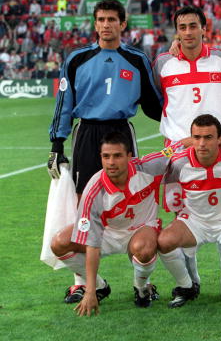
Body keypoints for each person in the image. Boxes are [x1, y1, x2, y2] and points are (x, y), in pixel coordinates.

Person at [48, 0, 163, 303]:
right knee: (82, 200)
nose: (106, 25)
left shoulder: (137, 59)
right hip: (87, 133)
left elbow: (155, 104)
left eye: (112, 19)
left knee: (132, 193)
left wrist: (183, 129)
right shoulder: (76, 59)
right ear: (95, 23)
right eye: (101, 19)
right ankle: (86, 283)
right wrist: (57, 144)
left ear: (123, 24)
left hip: (122, 132)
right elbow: (64, 104)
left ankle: (141, 275)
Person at [154, 5, 221, 291]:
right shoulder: (163, 63)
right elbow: (156, 100)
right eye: (182, 27)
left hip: (217, 149)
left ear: (204, 28)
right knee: (180, 215)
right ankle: (191, 281)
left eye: (193, 26)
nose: (188, 32)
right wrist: (178, 138)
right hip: (176, 152)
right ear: (176, 31)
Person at [49, 132, 165, 315]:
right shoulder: (93, 191)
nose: (111, 162)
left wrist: (193, 142)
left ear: (129, 156)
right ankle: (100, 287)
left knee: (143, 248)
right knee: (59, 243)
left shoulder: (148, 167)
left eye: (117, 156)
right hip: (108, 233)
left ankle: (142, 288)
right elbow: (92, 244)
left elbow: (176, 153)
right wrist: (90, 290)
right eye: (106, 156)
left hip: (142, 229)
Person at [157, 114, 221, 308]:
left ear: (220, 139)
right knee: (164, 241)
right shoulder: (179, 161)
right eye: (196, 137)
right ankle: (186, 286)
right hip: (194, 220)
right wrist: (180, 144)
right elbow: (152, 163)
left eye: (208, 137)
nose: (202, 143)